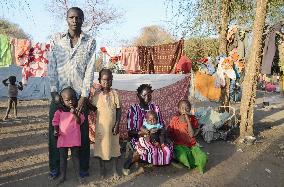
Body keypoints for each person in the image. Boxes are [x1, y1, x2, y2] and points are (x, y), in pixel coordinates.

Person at [48, 7, 96, 179]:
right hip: (59, 96)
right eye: (71, 17)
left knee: (81, 134)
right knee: (55, 133)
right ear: (67, 19)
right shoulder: (57, 42)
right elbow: (52, 68)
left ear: (83, 20)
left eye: (78, 17)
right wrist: (54, 93)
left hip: (78, 97)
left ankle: (83, 169)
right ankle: (55, 168)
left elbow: (90, 70)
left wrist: (84, 96)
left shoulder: (90, 42)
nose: (75, 20)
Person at [123, 84, 173, 176]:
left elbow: (161, 124)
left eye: (149, 94)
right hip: (138, 137)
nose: (147, 97)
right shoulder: (133, 109)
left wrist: (162, 135)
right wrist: (146, 132)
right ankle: (129, 163)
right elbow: (130, 131)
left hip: (156, 137)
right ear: (138, 96)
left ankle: (158, 161)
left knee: (167, 147)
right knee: (145, 149)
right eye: (144, 95)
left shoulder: (155, 107)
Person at [91, 69, 122, 179]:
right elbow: (93, 108)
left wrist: (117, 124)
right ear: (99, 80)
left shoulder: (114, 94)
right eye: (103, 80)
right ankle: (102, 169)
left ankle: (114, 170)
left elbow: (119, 110)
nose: (106, 82)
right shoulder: (97, 94)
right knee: (101, 149)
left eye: (109, 80)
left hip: (113, 128)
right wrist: (85, 100)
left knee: (114, 148)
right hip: (101, 128)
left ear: (112, 80)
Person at [52, 87, 85, 185]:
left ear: (76, 99)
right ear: (62, 100)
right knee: (63, 158)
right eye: (67, 100)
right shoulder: (59, 111)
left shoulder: (78, 110)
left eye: (72, 99)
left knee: (75, 157)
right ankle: (63, 176)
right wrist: (56, 130)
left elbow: (80, 121)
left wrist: (74, 114)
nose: (70, 102)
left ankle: (78, 176)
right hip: (63, 137)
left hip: (74, 137)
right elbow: (55, 122)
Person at [167, 99, 207, 173]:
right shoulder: (175, 120)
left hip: (192, 145)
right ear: (178, 109)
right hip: (179, 145)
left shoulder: (193, 119)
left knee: (202, 157)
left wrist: (188, 119)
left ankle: (195, 163)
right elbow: (168, 133)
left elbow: (191, 134)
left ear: (190, 109)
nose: (184, 110)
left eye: (187, 108)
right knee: (183, 156)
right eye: (182, 108)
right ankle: (184, 161)